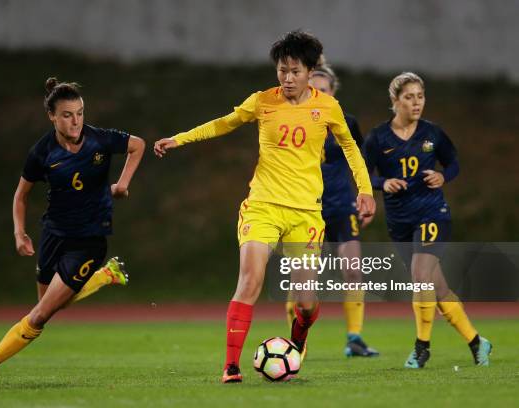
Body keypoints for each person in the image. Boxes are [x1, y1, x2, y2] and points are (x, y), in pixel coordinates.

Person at [154, 30, 375, 383]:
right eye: (282, 70)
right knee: (250, 281)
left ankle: (298, 337)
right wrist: (181, 138)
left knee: (305, 301)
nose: (287, 78)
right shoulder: (262, 101)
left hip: (305, 214)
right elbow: (225, 123)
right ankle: (231, 366)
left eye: (295, 71)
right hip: (263, 206)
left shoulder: (328, 107)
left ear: (310, 71)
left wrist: (365, 190)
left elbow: (351, 149)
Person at [0, 77, 145, 385]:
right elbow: (20, 195)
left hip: (88, 241)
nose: (76, 121)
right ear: (52, 116)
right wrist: (19, 232)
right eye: (67, 115)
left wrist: (123, 184)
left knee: (40, 316)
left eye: (80, 113)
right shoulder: (42, 152)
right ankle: (104, 276)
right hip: (53, 235)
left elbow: (137, 145)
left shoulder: (100, 140)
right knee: (47, 303)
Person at [362, 72, 492, 368]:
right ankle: (476, 342)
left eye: (420, 96)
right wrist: (383, 183)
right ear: (395, 101)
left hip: (432, 213)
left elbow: (454, 163)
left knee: (421, 275)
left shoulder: (433, 134)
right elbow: (363, 175)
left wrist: (443, 175)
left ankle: (422, 348)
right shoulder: (378, 138)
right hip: (400, 221)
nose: (416, 102)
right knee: (436, 286)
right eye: (409, 97)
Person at [286, 63, 379, 358]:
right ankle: (298, 343)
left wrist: (367, 194)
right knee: (300, 278)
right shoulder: (292, 120)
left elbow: (361, 160)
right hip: (304, 207)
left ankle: (354, 338)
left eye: (323, 89)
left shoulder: (345, 122)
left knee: (353, 269)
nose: (317, 93)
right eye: (313, 88)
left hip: (341, 206)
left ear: (333, 92)